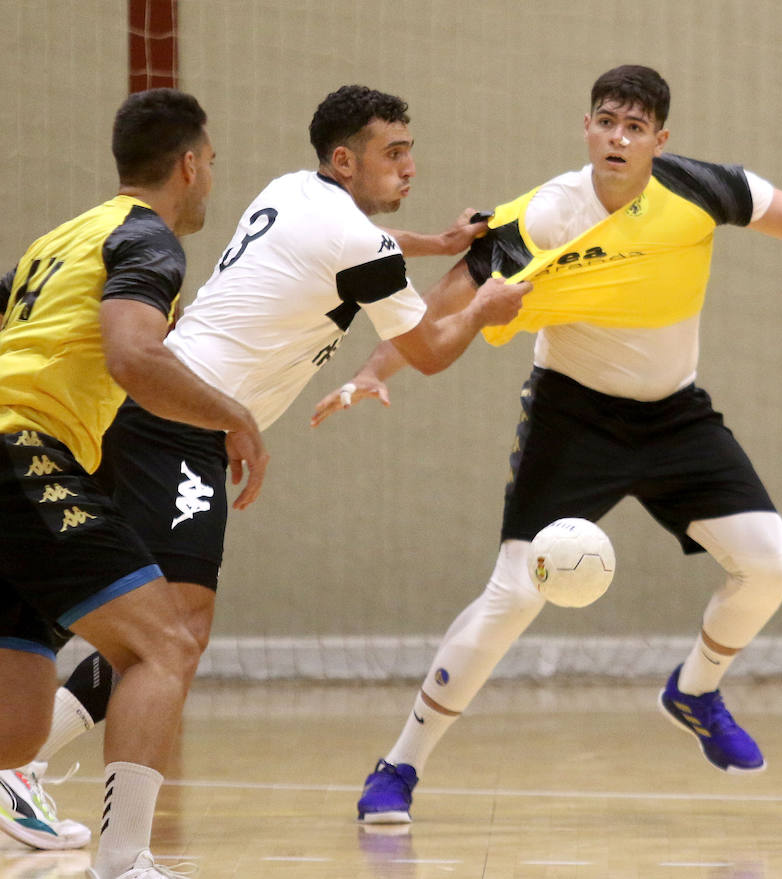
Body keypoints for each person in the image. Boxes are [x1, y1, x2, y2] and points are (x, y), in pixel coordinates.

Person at [311, 63, 782, 824]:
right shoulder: (543, 214)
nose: (618, 136)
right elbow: (438, 308)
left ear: (658, 140)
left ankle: (695, 690)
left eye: (635, 127)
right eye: (606, 121)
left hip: (676, 416)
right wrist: (377, 370)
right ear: (587, 127)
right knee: (513, 596)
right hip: (575, 419)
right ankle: (399, 766)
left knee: (771, 562)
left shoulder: (701, 188)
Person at [0, 84, 529, 856]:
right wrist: (483, 305)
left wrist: (435, 243)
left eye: (412, 150)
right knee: (169, 635)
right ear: (345, 161)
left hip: (161, 419)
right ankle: (74, 812)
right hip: (180, 420)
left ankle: (29, 763)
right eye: (394, 152)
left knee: (152, 622)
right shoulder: (353, 245)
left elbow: (357, 247)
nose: (410, 165)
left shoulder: (293, 190)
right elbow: (429, 351)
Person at [0, 88, 269, 879]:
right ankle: (127, 862)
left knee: (16, 725)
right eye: (212, 163)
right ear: (189, 165)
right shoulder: (146, 239)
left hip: (18, 457)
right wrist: (237, 417)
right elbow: (133, 356)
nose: (212, 178)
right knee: (165, 642)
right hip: (23, 451)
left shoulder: (61, 239)